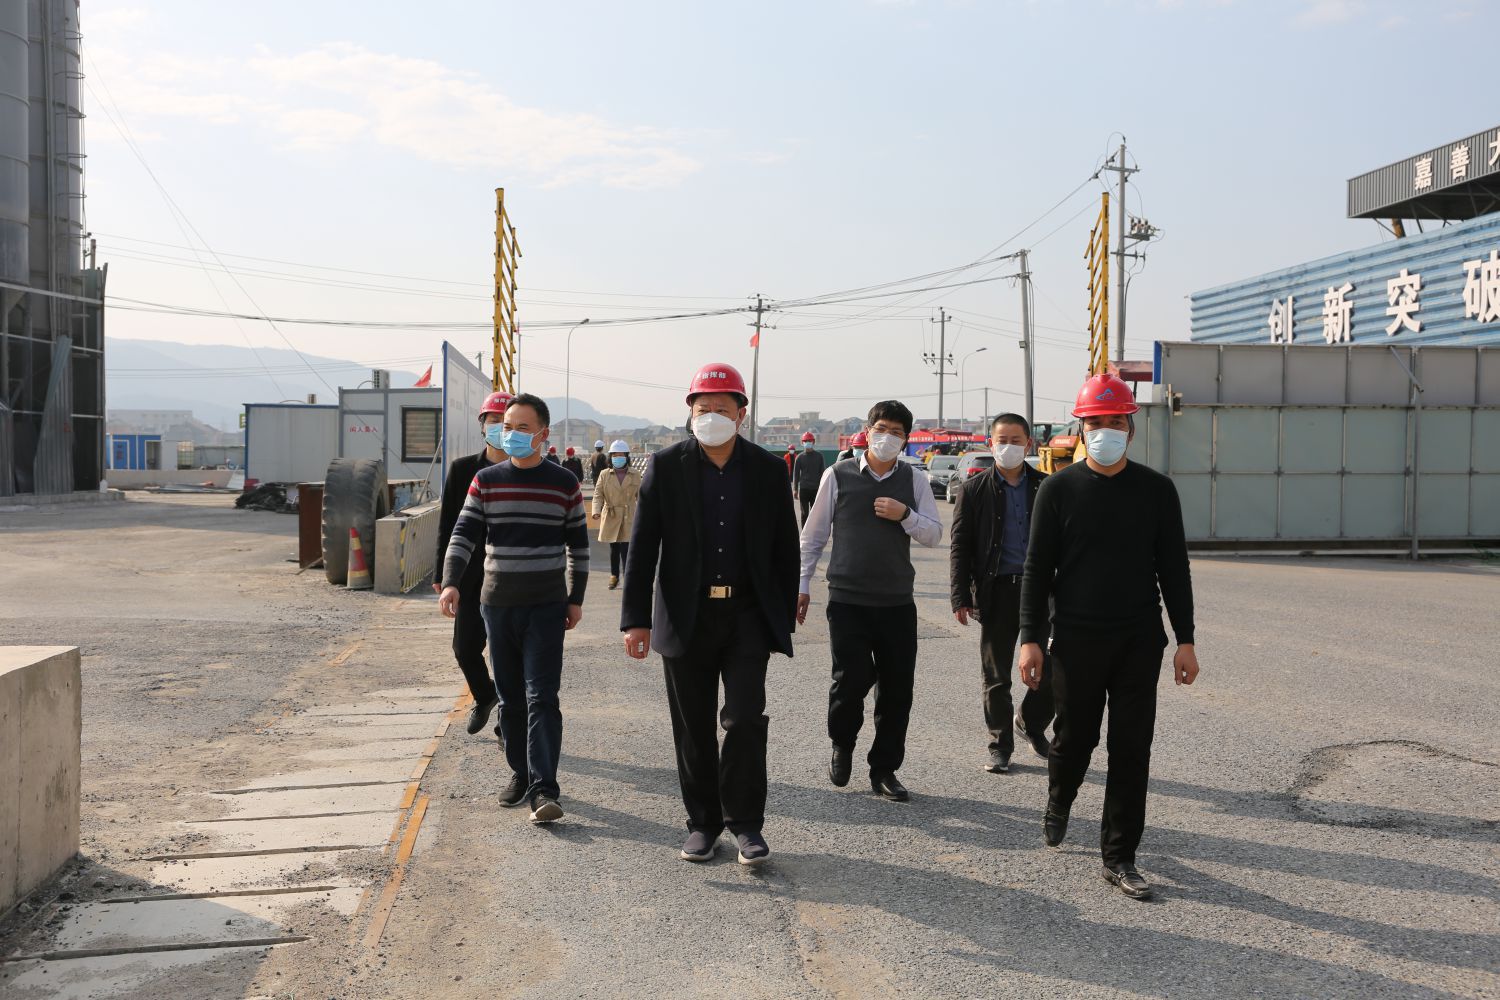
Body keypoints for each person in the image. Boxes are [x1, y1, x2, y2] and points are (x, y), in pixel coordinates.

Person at [1018, 374, 1200, 901]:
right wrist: (1030, 637)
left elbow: (1174, 569)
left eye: (1116, 422)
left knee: (1132, 747)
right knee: (1075, 739)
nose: (1106, 431)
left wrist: (1185, 638)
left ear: (1131, 429)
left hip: (1139, 640)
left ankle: (1120, 856)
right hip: (1076, 640)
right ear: (1081, 429)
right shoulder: (1057, 490)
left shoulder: (1157, 491)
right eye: (1096, 423)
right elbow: (1037, 570)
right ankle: (1060, 798)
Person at [621, 362, 799, 866]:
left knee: (744, 719)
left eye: (723, 407)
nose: (712, 416)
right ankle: (703, 824)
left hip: (746, 615)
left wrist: (780, 615)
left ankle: (746, 825)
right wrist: (636, 619)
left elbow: (785, 549)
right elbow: (642, 547)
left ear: (742, 414)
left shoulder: (768, 470)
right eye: (704, 408)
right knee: (693, 725)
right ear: (690, 412)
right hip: (686, 615)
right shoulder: (665, 467)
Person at [439, 393, 589, 826]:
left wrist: (575, 598)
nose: (512, 434)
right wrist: (451, 581)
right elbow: (463, 534)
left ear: (542, 434)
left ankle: (544, 788)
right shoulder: (486, 481)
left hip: (545, 606)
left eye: (523, 427)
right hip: (497, 605)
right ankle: (520, 774)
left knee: (542, 696)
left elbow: (579, 547)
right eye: (508, 426)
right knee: (510, 698)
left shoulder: (564, 483)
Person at [798, 400, 940, 802]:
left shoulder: (914, 480)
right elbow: (813, 535)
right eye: (882, 429)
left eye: (896, 432)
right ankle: (842, 744)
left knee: (897, 690)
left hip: (897, 602)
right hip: (848, 601)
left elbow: (933, 534)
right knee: (850, 680)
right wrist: (802, 584)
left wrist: (905, 515)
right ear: (868, 430)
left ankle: (884, 769)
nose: (887, 437)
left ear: (906, 439)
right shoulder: (838, 474)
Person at [950, 413, 1053, 774]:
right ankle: (1000, 745)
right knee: (996, 676)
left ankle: (1031, 723)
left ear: (1029, 444)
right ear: (990, 443)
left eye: (1016, 440)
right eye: (1001, 440)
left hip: (1042, 593)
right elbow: (960, 545)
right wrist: (960, 595)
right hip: (998, 592)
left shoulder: (1047, 486)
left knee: (1053, 668)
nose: (1008, 446)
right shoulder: (974, 489)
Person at [433, 390, 510, 736]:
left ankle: (509, 723)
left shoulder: (527, 471)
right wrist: (444, 574)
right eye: (493, 421)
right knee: (465, 649)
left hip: (510, 577)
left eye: (505, 421)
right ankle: (485, 694)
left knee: (507, 655)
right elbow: (448, 523)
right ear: (482, 425)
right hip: (469, 574)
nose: (499, 427)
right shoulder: (462, 469)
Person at [591, 439, 640, 591]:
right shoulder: (604, 474)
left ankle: (627, 576)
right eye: (615, 455)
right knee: (614, 549)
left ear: (626, 456)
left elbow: (642, 496)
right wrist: (596, 511)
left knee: (626, 549)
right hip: (611, 515)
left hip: (628, 515)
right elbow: (598, 494)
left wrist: (645, 514)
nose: (618, 458)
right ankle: (614, 576)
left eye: (621, 455)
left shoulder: (635, 474)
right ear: (610, 457)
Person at [791, 431, 825, 526]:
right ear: (802, 443)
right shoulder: (799, 457)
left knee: (815, 514)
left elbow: (823, 473)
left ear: (813, 442)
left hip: (816, 489)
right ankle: (804, 532)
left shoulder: (819, 456)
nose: (807, 443)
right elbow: (796, 474)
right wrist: (795, 489)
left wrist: (823, 488)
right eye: (805, 441)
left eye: (809, 441)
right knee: (804, 513)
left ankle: (814, 531)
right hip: (804, 489)